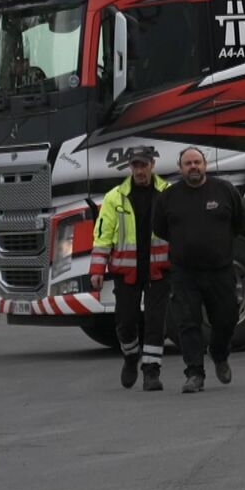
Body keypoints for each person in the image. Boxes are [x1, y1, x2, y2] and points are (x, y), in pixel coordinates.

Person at [152, 147, 245, 393]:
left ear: (205, 164)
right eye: (188, 163)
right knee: (187, 323)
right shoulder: (168, 197)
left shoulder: (225, 191)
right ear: (180, 168)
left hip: (220, 270)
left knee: (227, 319)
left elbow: (240, 223)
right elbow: (160, 228)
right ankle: (194, 374)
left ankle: (219, 354)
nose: (193, 167)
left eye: (197, 162)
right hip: (184, 273)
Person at [89, 146, 170, 391]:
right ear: (130, 168)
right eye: (135, 165)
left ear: (152, 165)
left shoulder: (166, 193)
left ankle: (151, 372)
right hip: (127, 272)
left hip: (159, 269)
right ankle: (130, 357)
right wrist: (97, 269)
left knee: (156, 322)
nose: (139, 170)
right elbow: (103, 235)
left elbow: (178, 229)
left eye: (143, 165)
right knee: (125, 322)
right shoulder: (115, 197)